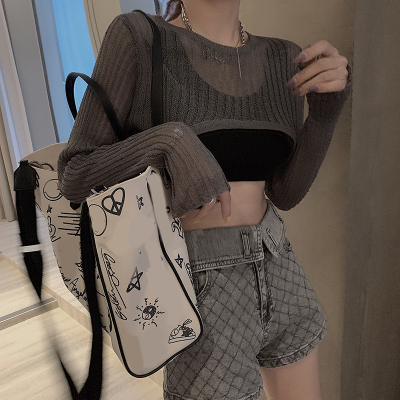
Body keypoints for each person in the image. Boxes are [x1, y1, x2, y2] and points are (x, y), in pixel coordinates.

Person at [58, 0, 351, 399]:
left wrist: (325, 114)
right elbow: (75, 173)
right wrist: (168, 142)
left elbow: (285, 192)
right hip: (198, 285)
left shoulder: (284, 57)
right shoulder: (138, 38)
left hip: (279, 263)